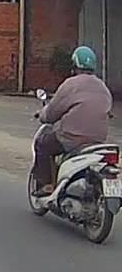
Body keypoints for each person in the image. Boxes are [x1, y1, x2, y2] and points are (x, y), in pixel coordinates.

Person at [33, 45, 114, 195]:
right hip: (98, 141)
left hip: (72, 138)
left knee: (42, 144)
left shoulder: (70, 85)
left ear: (74, 65)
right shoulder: (103, 87)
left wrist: (42, 115)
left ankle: (47, 185)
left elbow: (52, 113)